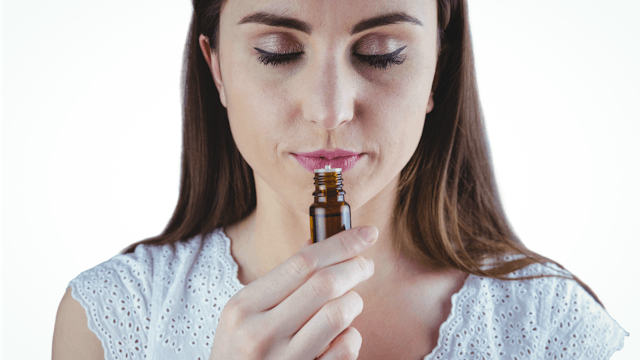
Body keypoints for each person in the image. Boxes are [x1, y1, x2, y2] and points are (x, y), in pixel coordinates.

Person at [52, 0, 628, 359]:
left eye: (382, 53)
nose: (329, 110)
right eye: (278, 52)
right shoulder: (113, 319)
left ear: (437, 68)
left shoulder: (554, 328)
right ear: (217, 69)